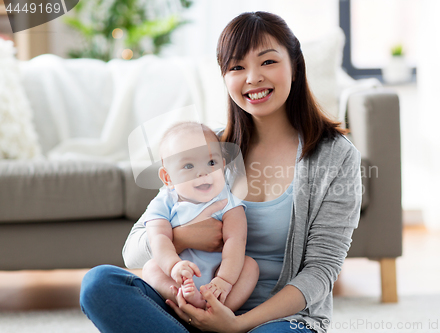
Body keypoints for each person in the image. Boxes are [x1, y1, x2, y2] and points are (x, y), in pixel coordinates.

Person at [80, 11, 361, 333]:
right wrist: (182, 236)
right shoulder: (207, 149)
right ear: (226, 78)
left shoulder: (335, 157)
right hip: (187, 308)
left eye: (267, 62)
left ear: (295, 67)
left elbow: (321, 272)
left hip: (275, 322)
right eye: (237, 67)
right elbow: (133, 252)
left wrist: (235, 325)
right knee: (100, 283)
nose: (253, 77)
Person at [141, 121, 258, 310]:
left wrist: (224, 280)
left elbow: (236, 240)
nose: (202, 172)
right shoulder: (164, 201)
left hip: (220, 276)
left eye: (212, 163)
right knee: (150, 268)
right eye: (188, 166)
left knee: (250, 266)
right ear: (168, 178)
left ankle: (221, 312)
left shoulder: (228, 199)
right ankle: (184, 299)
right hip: (181, 276)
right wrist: (174, 266)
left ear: (223, 166)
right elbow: (158, 238)